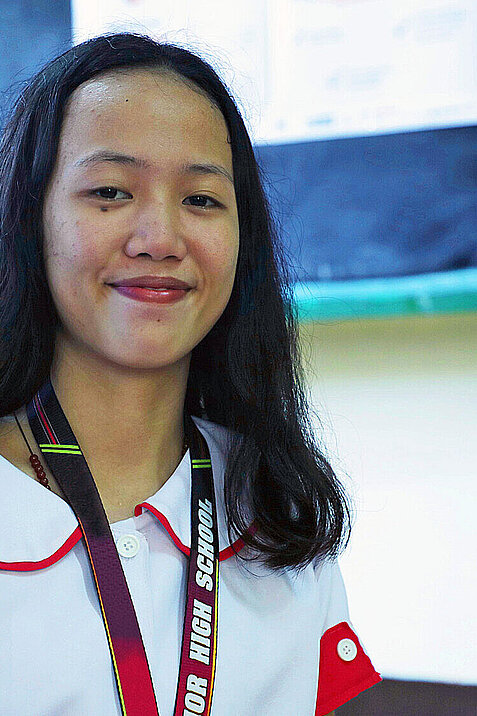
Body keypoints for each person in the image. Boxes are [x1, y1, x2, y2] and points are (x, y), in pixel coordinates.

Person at [0, 32, 381, 715]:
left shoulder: (276, 510)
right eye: (110, 191)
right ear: (32, 219)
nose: (161, 239)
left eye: (201, 200)